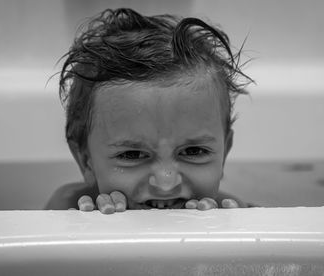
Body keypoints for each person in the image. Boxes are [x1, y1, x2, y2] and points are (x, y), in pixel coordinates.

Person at [45, 8, 254, 214]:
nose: (166, 183)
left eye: (194, 151)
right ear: (85, 160)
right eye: (132, 154)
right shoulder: (68, 208)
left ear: (225, 152)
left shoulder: (229, 211)